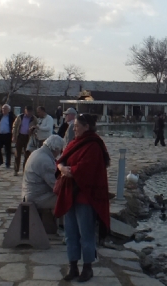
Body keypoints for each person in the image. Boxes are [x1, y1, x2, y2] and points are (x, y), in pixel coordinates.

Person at [55, 113, 110, 282]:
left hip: (85, 197)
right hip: (70, 193)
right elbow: (62, 159)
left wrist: (68, 170)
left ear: (87, 127)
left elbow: (87, 168)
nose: (74, 128)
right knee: (70, 233)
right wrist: (62, 168)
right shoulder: (74, 142)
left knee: (85, 233)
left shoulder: (94, 145)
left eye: (77, 125)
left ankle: (87, 268)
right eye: (74, 126)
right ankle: (73, 267)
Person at [23, 135, 66, 210]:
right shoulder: (45, 161)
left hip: (30, 194)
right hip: (37, 198)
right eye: (60, 151)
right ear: (56, 149)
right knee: (68, 199)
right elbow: (55, 186)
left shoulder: (37, 153)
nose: (60, 153)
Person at [25, 106, 56, 172]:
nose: (38, 114)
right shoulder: (39, 119)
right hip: (39, 139)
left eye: (39, 112)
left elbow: (48, 128)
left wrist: (38, 127)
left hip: (46, 140)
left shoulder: (49, 118)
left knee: (46, 155)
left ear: (43, 111)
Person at [0, 105, 15, 169]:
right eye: (3, 109)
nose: (4, 110)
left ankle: (8, 163)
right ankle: (0, 161)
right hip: (0, 135)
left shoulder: (11, 117)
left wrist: (14, 135)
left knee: (7, 150)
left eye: (5, 109)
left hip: (8, 135)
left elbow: (14, 126)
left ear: (8, 110)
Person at [13, 107, 34, 176]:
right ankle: (16, 170)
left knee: (27, 154)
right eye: (28, 112)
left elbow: (36, 126)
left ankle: (25, 170)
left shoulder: (33, 118)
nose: (29, 113)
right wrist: (14, 136)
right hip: (20, 136)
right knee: (17, 154)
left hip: (28, 137)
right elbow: (15, 126)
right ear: (25, 111)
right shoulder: (20, 117)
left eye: (30, 112)